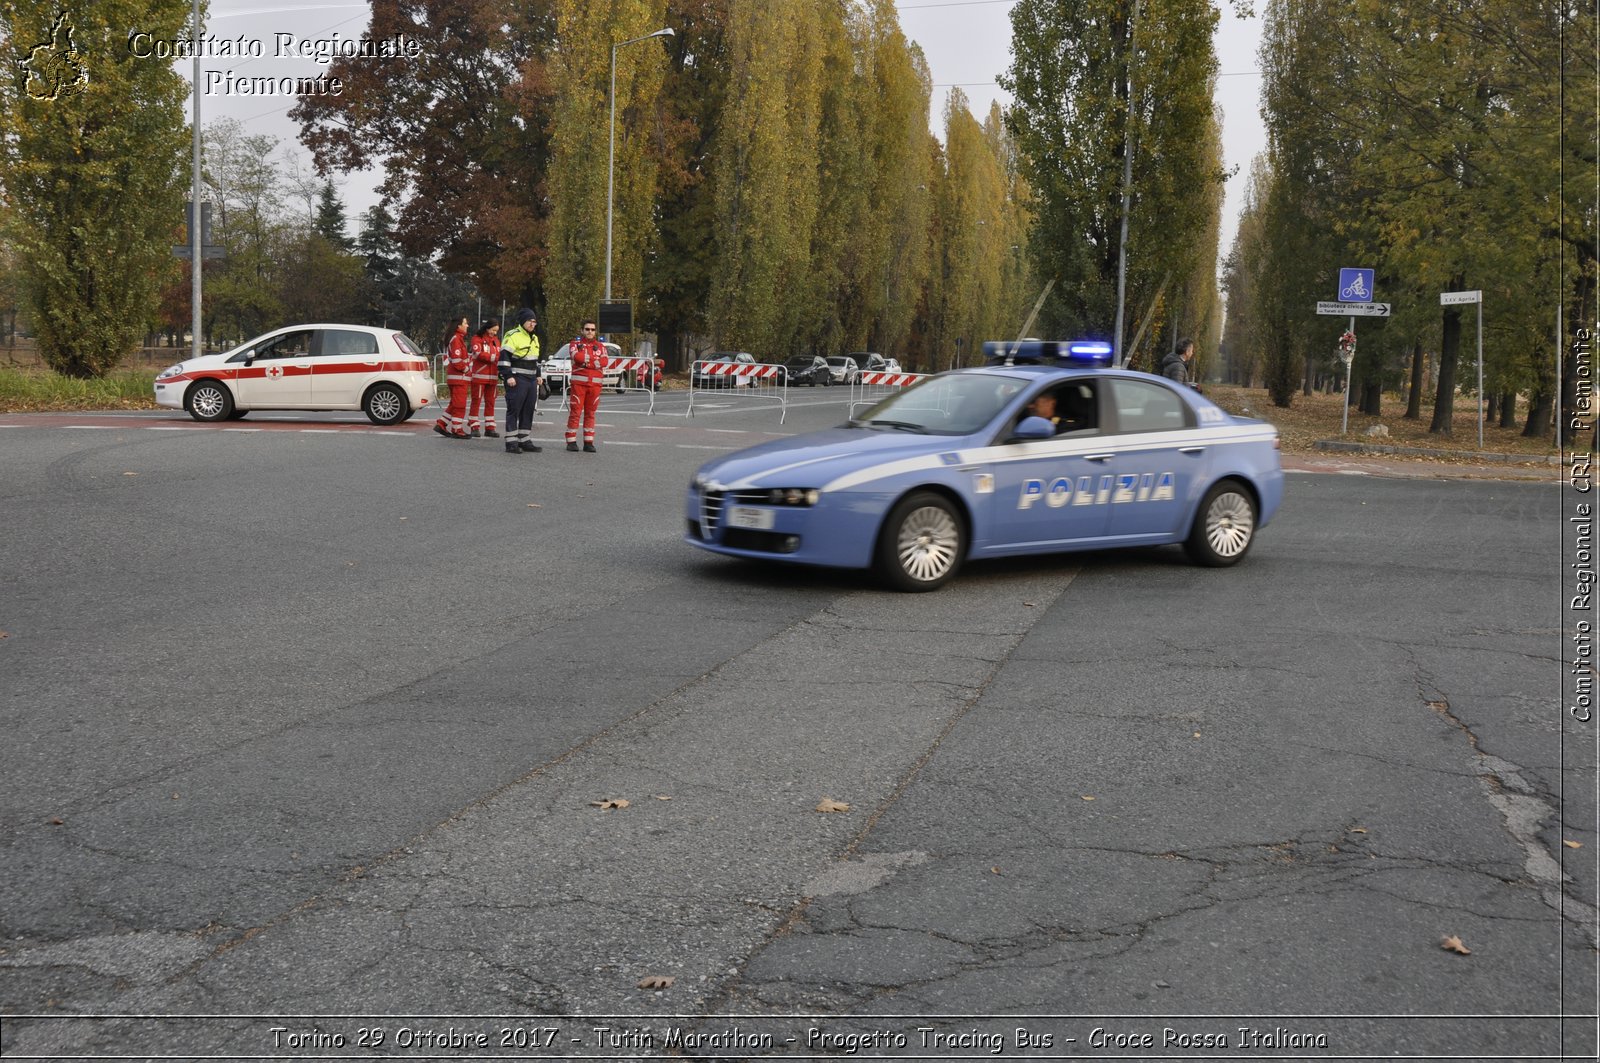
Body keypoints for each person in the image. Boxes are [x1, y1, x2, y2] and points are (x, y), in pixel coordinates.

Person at [498, 308, 542, 454]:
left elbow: (535, 360)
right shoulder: (512, 335)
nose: (532, 324)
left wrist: (538, 375)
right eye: (530, 320)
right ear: (523, 321)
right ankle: (511, 443)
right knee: (514, 409)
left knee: (528, 410)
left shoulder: (534, 338)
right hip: (517, 379)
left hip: (531, 380)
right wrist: (508, 376)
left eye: (534, 321)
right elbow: (504, 358)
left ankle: (524, 440)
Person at [565, 320, 608, 453]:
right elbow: (576, 357)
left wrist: (586, 363)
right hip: (579, 385)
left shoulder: (601, 346)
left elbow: (605, 361)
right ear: (582, 330)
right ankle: (571, 441)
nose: (590, 332)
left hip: (595, 386)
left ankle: (588, 442)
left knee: (590, 414)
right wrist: (594, 362)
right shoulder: (575, 344)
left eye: (592, 329)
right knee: (575, 412)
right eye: (587, 329)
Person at [433, 316, 472, 439]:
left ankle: (441, 424)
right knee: (460, 405)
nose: (467, 325)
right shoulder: (456, 339)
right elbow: (457, 360)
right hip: (459, 378)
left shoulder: (457, 338)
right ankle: (457, 429)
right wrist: (467, 370)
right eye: (465, 323)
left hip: (457, 378)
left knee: (454, 404)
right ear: (458, 326)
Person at [467, 320, 501, 438]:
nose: (494, 333)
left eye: (496, 331)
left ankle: (490, 427)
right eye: (493, 330)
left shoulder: (496, 341)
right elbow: (479, 353)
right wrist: (495, 358)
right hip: (480, 376)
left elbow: (499, 355)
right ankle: (474, 426)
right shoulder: (477, 338)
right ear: (487, 328)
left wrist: (497, 359)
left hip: (492, 377)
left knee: (491, 402)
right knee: (476, 401)